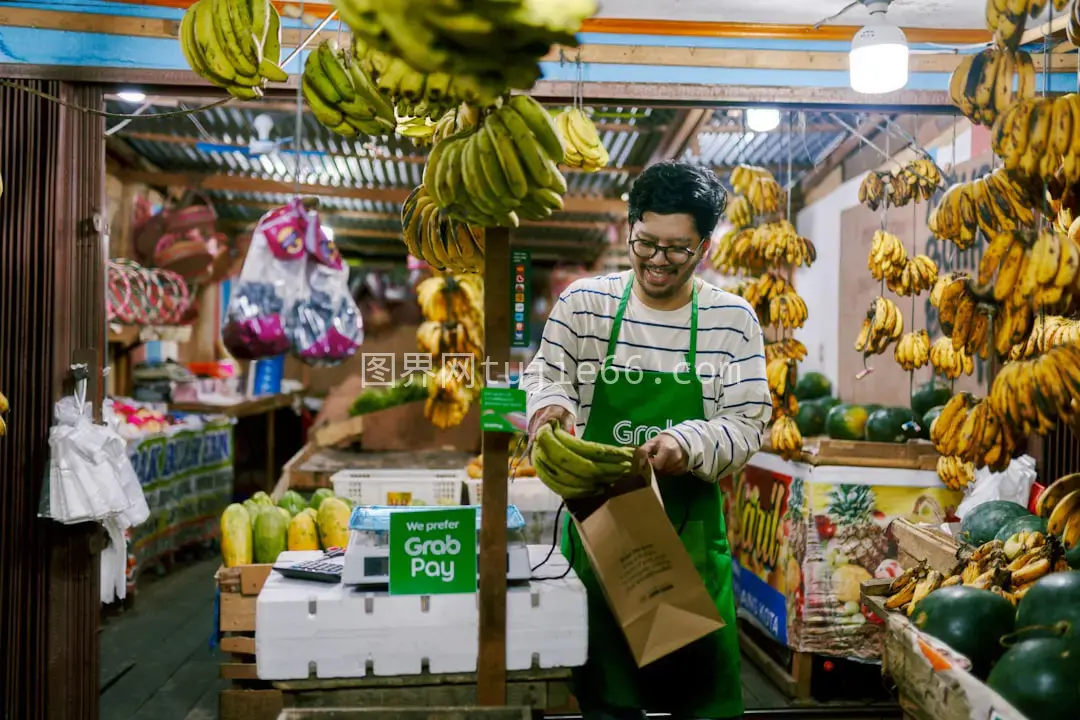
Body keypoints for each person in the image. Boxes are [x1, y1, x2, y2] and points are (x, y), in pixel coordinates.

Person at [520, 160, 771, 720]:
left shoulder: (732, 321)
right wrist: (550, 402)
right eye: (645, 242)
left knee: (700, 698)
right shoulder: (585, 304)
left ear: (704, 246)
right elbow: (543, 372)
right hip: (601, 537)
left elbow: (749, 420)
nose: (657, 260)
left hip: (688, 537)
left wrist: (688, 443)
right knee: (607, 702)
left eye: (676, 249)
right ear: (630, 227)